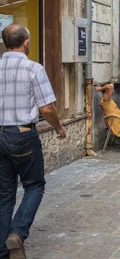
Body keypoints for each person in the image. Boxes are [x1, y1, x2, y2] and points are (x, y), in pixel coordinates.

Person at [0, 24, 67, 259]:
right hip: (21, 135)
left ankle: (3, 252)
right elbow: (47, 108)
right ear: (26, 42)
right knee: (35, 185)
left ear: (4, 42)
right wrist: (58, 128)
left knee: (4, 193)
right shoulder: (33, 68)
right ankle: (17, 233)